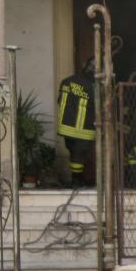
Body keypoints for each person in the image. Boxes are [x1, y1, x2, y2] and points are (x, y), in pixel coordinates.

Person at [56, 58, 98, 187]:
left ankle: (77, 179)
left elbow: (59, 101)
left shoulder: (66, 81)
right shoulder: (92, 87)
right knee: (79, 156)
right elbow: (99, 107)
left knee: (73, 153)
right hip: (83, 129)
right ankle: (76, 181)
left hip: (65, 127)